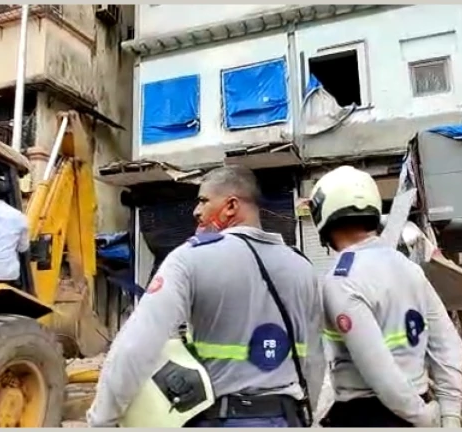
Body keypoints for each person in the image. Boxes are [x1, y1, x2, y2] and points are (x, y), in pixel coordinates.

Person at [86, 165, 325, 428]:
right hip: (288, 419)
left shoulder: (190, 258)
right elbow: (315, 360)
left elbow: (136, 345)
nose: (196, 211)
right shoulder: (302, 267)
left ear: (231, 206)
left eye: (203, 201)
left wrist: (102, 419)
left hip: (221, 419)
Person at [309, 165, 462, 428]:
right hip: (418, 403)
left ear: (323, 216)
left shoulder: (341, 280)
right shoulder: (409, 268)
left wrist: (421, 417)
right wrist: (449, 413)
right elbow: (447, 344)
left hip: (368, 415)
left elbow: (379, 370)